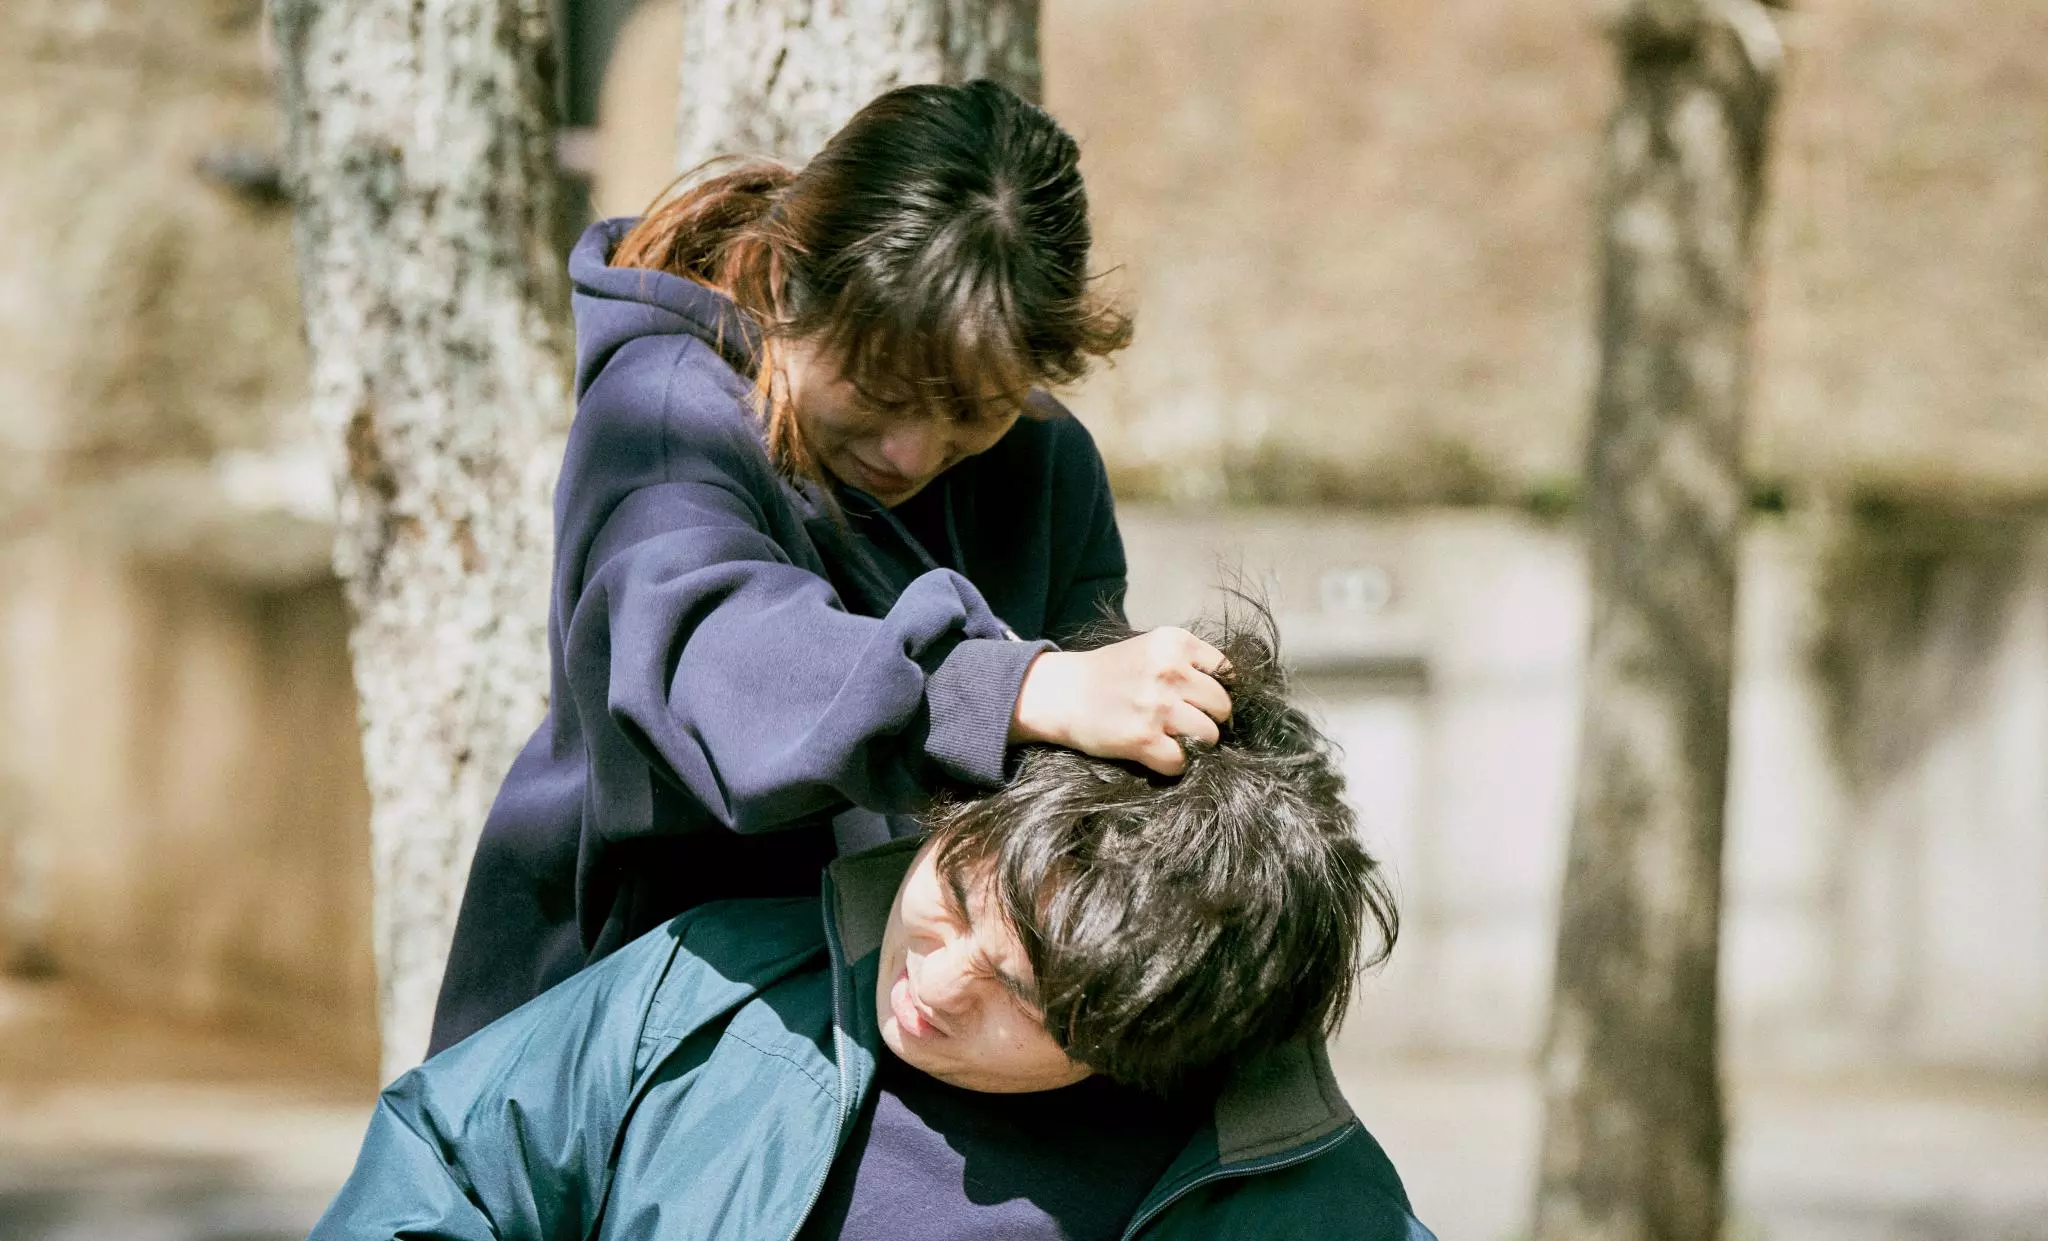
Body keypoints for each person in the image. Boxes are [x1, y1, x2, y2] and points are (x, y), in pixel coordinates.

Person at [429, 80, 1240, 1056]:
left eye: (971, 410)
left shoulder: (1043, 464)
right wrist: (1021, 689)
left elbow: (1079, 807)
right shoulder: (662, 414)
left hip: (923, 1019)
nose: (912, 450)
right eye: (879, 389)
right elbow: (725, 669)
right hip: (630, 1019)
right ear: (783, 285)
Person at [313, 615, 1433, 1240]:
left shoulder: (1314, 1207)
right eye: (953, 900)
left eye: (1020, 994)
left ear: (1154, 1033)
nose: (934, 984)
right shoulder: (711, 990)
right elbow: (447, 1166)